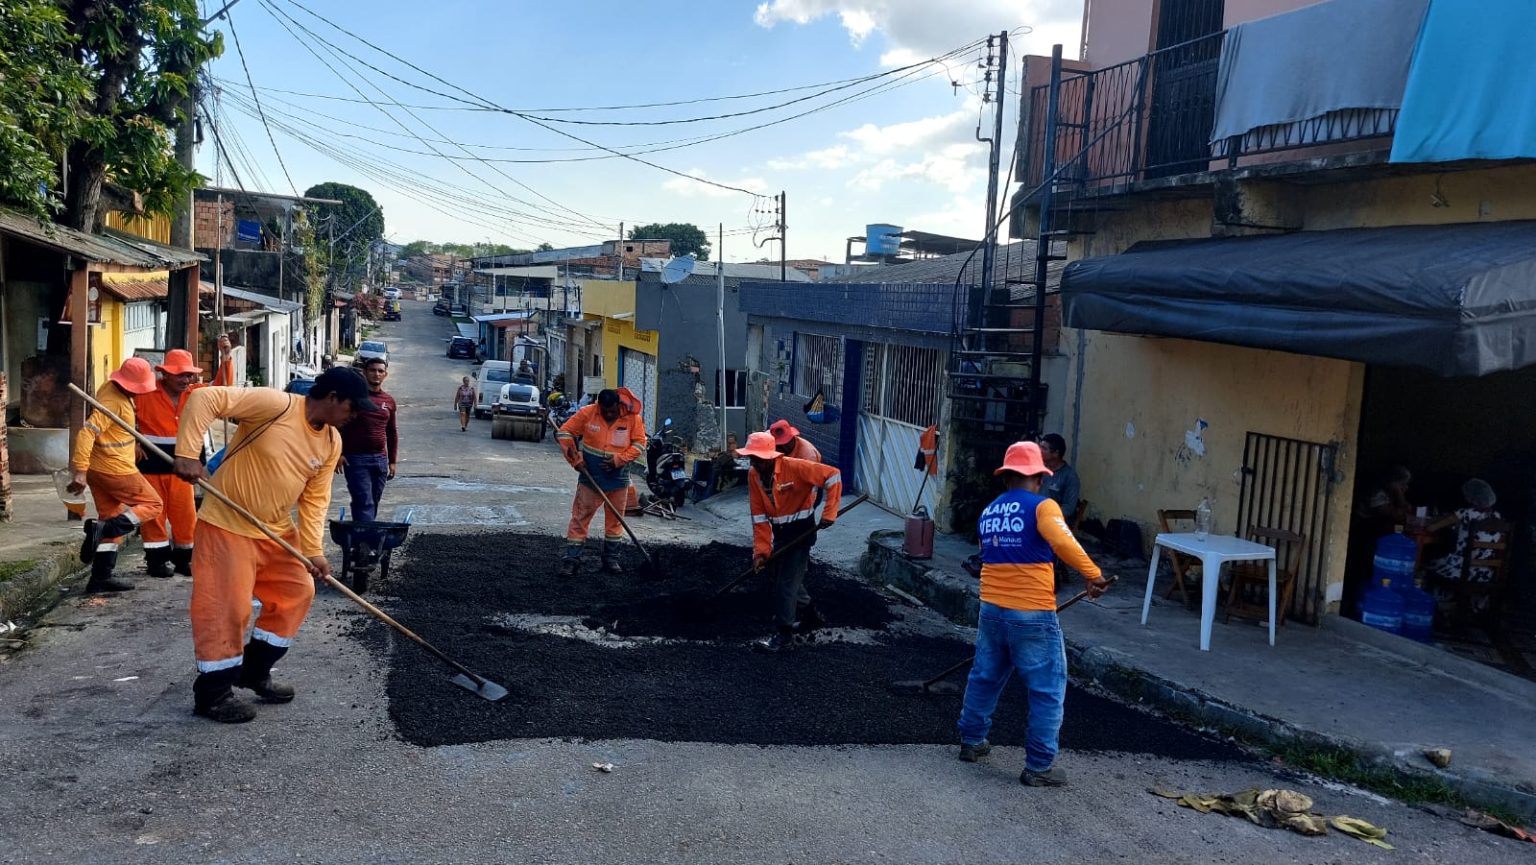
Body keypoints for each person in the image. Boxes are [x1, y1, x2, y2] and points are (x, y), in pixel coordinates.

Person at [171, 367, 370, 724]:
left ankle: (254, 670)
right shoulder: (276, 405)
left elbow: (315, 500)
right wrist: (187, 452)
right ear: (333, 397)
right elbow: (204, 397)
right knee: (227, 608)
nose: (354, 415)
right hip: (227, 524)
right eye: (352, 407)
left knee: (297, 591)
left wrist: (313, 551)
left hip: (276, 531)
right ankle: (213, 694)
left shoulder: (331, 442)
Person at [957, 441, 1110, 787]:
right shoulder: (1044, 506)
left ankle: (971, 741)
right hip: (1031, 614)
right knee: (1046, 689)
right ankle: (1039, 766)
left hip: (991, 610)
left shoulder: (989, 511)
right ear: (1039, 478)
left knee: (984, 677)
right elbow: (1064, 542)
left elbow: (986, 556)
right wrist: (1094, 575)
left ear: (1006, 477)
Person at [738, 431, 842, 653]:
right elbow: (759, 517)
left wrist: (829, 513)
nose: (754, 463)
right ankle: (811, 616)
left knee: (784, 584)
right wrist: (761, 552)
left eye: (758, 459)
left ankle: (784, 636)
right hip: (781, 534)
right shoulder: (754, 475)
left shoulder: (795, 467)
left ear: (771, 457)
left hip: (802, 531)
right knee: (780, 577)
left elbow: (833, 475)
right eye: (752, 459)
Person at [67, 358, 165, 593]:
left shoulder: (109, 388)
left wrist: (134, 441)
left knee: (110, 513)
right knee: (153, 504)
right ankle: (106, 528)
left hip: (99, 469)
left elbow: (117, 428)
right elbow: (87, 433)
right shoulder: (113, 403)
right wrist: (79, 471)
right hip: (115, 469)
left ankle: (100, 577)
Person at [135, 345, 232, 578]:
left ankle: (184, 558)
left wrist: (226, 357)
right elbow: (124, 415)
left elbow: (223, 388)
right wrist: (133, 441)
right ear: (165, 374)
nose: (186, 380)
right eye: (180, 375)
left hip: (185, 465)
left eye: (189, 375)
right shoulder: (146, 392)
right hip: (151, 462)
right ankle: (157, 561)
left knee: (185, 513)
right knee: (154, 514)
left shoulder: (197, 394)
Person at [556, 388, 646, 576]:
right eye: (604, 411)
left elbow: (639, 444)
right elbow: (564, 433)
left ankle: (611, 559)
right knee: (580, 518)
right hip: (590, 477)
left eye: (612, 411)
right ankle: (571, 560)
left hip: (618, 478)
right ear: (599, 406)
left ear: (619, 405)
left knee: (615, 521)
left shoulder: (633, 419)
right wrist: (575, 460)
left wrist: (618, 460)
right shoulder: (588, 413)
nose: (608, 415)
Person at [338, 357, 399, 526]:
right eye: (372, 370)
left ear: (385, 374)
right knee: (364, 501)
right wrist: (338, 453)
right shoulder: (355, 399)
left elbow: (392, 432)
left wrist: (392, 461)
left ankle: (361, 534)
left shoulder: (389, 401)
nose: (376, 374)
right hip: (356, 459)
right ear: (365, 372)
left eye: (380, 371)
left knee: (373, 501)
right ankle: (366, 538)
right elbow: (338, 426)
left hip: (380, 460)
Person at [1430, 478, 1505, 611]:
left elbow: (1432, 528)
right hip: (1485, 572)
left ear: (1471, 498)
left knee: (1431, 566)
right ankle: (1469, 606)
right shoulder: (1497, 517)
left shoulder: (1465, 513)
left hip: (1461, 568)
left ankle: (1439, 606)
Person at [1038, 434, 1080, 520]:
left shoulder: (1070, 477)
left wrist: (1046, 514)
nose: (1039, 450)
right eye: (1040, 447)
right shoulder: (1038, 469)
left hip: (1052, 521)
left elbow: (1068, 508)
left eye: (1044, 448)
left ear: (1056, 453)